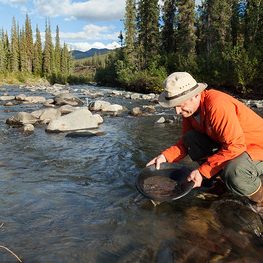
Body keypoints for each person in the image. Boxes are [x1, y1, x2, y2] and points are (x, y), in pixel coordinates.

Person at [147, 72, 263, 214]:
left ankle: (260, 199)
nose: (177, 111)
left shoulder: (217, 105)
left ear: (195, 95)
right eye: (174, 106)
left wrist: (202, 172)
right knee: (191, 138)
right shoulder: (189, 111)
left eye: (180, 104)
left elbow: (235, 146)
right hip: (235, 145)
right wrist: (164, 157)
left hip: (256, 147)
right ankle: (220, 184)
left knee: (235, 172)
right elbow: (185, 143)